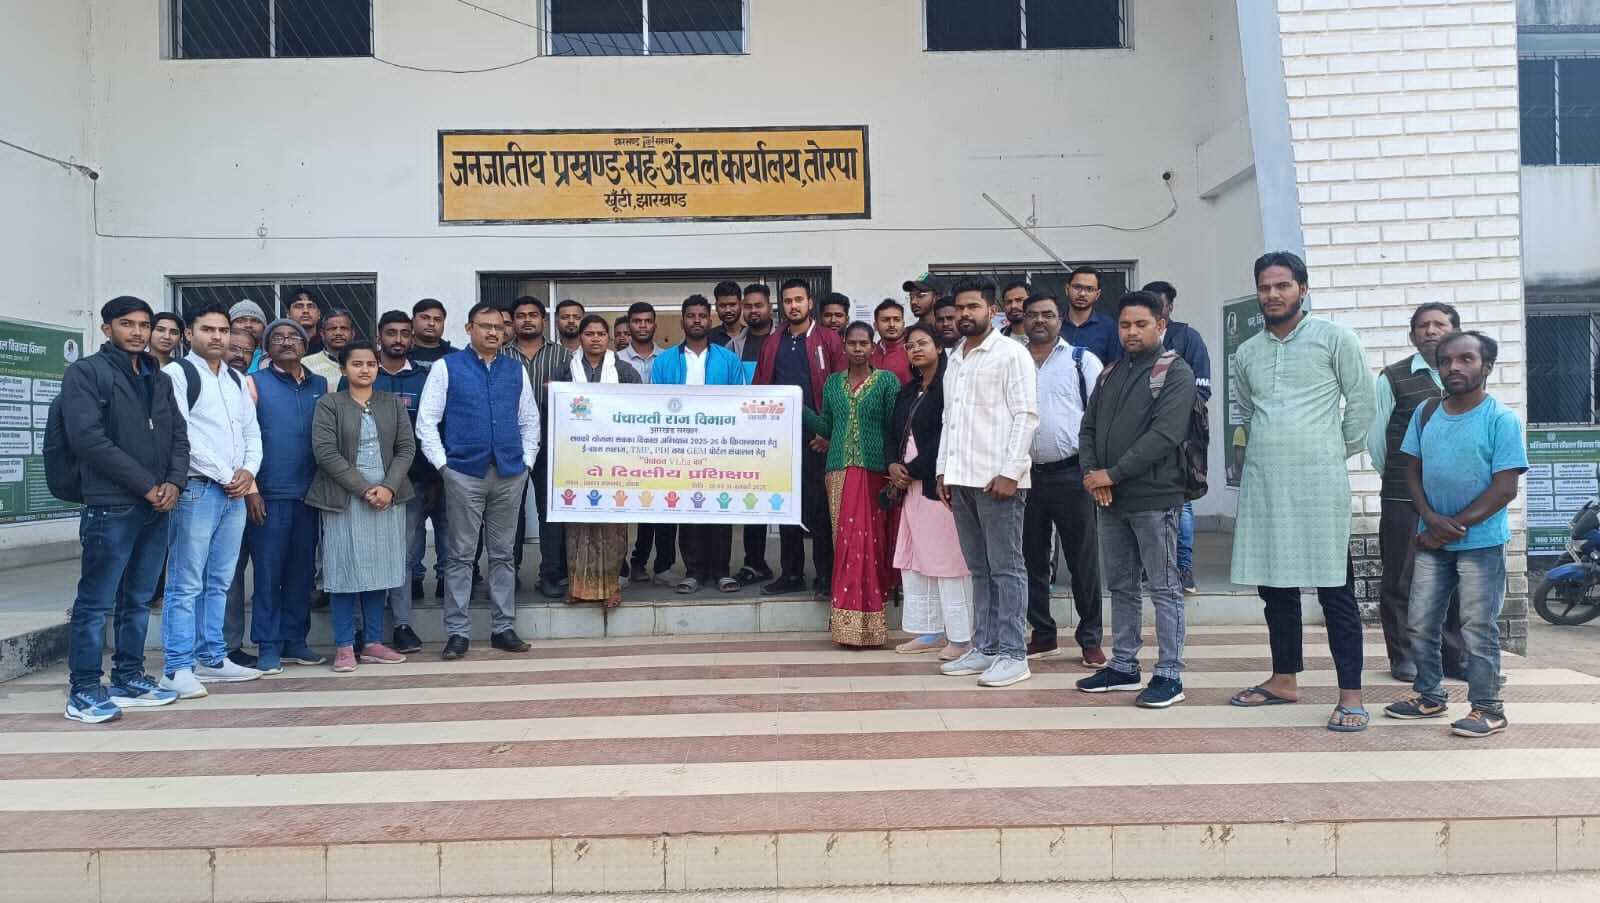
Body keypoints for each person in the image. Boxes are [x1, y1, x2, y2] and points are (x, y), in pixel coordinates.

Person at [1229, 251, 1375, 732]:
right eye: (1265, 287)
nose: (1272, 295)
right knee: (1275, 588)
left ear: (1303, 289)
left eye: (1283, 286)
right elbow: (1248, 412)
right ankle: (1283, 679)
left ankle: (1350, 696)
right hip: (1265, 484)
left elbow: (1362, 404)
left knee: (1335, 590)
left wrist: (1328, 450)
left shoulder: (1335, 338)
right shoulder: (1247, 352)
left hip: (1319, 484)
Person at [1385, 330, 1525, 738]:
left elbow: (1505, 488)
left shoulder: (1500, 419)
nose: (1454, 367)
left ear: (1487, 367)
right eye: (1446, 361)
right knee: (1420, 623)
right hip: (1431, 540)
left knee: (1477, 628)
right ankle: (1430, 695)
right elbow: (1411, 470)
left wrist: (1451, 527)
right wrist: (1429, 518)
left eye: (1466, 359)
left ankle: (1488, 709)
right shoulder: (1427, 412)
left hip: (1480, 544)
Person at [60, 296, 189, 722]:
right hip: (111, 504)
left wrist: (173, 483)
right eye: (126, 324)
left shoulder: (158, 377)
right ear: (107, 329)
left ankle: (129, 677)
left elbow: (178, 436)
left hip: (158, 505)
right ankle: (83, 690)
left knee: (138, 599)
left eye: (143, 325)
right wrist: (147, 486)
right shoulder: (86, 373)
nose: (137, 332)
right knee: (96, 602)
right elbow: (88, 440)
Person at [1074, 292, 1196, 708]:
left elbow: (1164, 436)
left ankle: (1170, 674)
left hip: (1155, 499)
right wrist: (1093, 475)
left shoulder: (1175, 372)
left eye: (1141, 324)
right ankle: (1124, 665)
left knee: (1164, 587)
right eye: (1125, 325)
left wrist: (1112, 474)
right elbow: (1087, 429)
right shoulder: (1110, 372)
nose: (1131, 332)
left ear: (1160, 325)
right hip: (1111, 499)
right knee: (1121, 586)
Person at [417, 302, 541, 660]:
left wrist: (527, 462)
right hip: (463, 474)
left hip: (509, 473)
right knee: (460, 556)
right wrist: (445, 468)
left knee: (503, 554)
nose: (493, 332)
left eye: (499, 327)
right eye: (485, 326)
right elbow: (427, 422)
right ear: (469, 328)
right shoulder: (447, 367)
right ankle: (458, 632)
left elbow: (529, 420)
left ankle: (503, 628)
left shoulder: (515, 370)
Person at [936, 277, 1040, 688]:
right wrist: (943, 470)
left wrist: (1011, 472)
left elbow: (1026, 415)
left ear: (992, 311)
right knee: (979, 569)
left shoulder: (1011, 354)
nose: (964, 314)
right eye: (960, 308)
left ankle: (1014, 654)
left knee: (1006, 568)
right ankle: (986, 647)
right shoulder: (955, 357)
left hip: (999, 482)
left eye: (973, 307)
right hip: (962, 479)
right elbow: (950, 418)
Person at [160, 301, 264, 697]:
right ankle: (177, 667)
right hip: (198, 488)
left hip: (234, 493)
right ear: (189, 333)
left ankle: (212, 657)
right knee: (186, 582)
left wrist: (248, 472)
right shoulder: (177, 374)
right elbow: (182, 433)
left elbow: (252, 432)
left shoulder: (236, 379)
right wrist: (226, 475)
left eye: (223, 330)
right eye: (208, 329)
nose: (217, 336)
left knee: (219, 580)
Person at [1368, 302, 1467, 682]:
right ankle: (1404, 656)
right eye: (1423, 326)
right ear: (1412, 336)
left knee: (1456, 576)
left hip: (1456, 499)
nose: (1431, 330)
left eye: (1439, 324)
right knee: (1401, 578)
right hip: (1402, 496)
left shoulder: (1467, 376)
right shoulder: (1393, 378)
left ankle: (1454, 656)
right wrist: (1400, 477)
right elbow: (1376, 439)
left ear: (1455, 331)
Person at [308, 344, 416, 672]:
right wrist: (365, 489)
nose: (365, 369)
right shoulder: (329, 404)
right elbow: (325, 452)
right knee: (343, 572)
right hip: (344, 497)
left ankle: (372, 643)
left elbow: (406, 448)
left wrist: (388, 487)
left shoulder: (392, 404)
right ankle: (344, 645)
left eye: (370, 363)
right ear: (344, 369)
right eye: (357, 364)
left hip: (387, 497)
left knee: (379, 571)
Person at [1018, 292, 1106, 668]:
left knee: (1082, 559)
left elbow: (1101, 417)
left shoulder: (1081, 361)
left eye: (1048, 314)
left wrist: (1097, 470)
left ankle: (1091, 639)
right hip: (1024, 475)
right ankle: (1043, 633)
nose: (1040, 320)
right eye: (1033, 314)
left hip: (1072, 473)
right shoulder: (1014, 360)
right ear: (1023, 320)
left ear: (1060, 320)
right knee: (1031, 558)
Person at [804, 321, 899, 645]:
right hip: (839, 473)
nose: (858, 349)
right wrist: (798, 407)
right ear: (843, 346)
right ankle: (846, 625)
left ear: (873, 346)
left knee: (872, 547)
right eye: (852, 343)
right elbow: (827, 426)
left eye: (864, 343)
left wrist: (894, 468)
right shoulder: (833, 383)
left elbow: (894, 427)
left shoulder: (887, 382)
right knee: (846, 546)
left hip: (875, 474)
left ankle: (872, 625)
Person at [245, 319, 329, 674]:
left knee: (301, 572)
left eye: (294, 336)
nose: (286, 341)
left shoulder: (319, 384)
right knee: (268, 573)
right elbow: (244, 437)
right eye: (277, 337)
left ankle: (296, 640)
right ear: (266, 347)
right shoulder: (254, 383)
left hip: (309, 494)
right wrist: (252, 489)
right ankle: (268, 644)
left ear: (306, 344)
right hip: (269, 494)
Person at [754, 278, 847, 598]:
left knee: (820, 509)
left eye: (799, 300)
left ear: (810, 303)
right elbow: (761, 388)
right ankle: (791, 573)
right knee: (786, 508)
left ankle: (825, 576)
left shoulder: (828, 340)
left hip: (818, 439)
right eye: (788, 301)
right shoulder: (772, 342)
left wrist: (830, 433)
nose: (793, 305)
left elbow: (842, 390)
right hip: (782, 441)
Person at [653, 295, 750, 593]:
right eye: (691, 315)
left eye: (702, 316)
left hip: (719, 448)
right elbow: (654, 405)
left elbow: (740, 403)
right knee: (689, 510)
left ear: (710, 320)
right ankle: (693, 571)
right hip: (680, 449)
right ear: (682, 321)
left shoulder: (728, 359)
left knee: (720, 508)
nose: (697, 320)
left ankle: (721, 571)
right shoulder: (665, 361)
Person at [887, 324, 972, 660]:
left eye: (923, 343)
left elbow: (947, 436)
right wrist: (893, 465)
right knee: (917, 559)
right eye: (910, 346)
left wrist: (912, 470)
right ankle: (930, 630)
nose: (916, 350)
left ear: (939, 347)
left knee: (948, 561)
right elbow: (893, 433)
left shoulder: (950, 387)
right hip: (910, 488)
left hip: (938, 486)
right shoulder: (908, 391)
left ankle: (962, 637)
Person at [559, 315, 643, 606]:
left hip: (615, 460)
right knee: (578, 525)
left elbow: (638, 412)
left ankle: (612, 587)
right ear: (580, 338)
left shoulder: (625, 371)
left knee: (612, 527)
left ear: (609, 338)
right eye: (589, 333)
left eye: (600, 334)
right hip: (574, 460)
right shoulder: (566, 371)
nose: (595, 338)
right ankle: (579, 586)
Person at [365, 311, 432, 653]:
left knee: (402, 556)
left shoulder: (425, 378)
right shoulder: (364, 375)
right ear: (379, 336)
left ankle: (402, 625)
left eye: (405, 333)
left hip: (411, 482)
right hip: (365, 484)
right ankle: (365, 628)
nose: (399, 339)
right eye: (391, 333)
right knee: (368, 554)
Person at [502, 296, 573, 599]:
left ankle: (551, 575)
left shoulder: (564, 356)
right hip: (509, 445)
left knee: (551, 513)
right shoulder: (499, 355)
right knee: (509, 513)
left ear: (544, 320)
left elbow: (578, 399)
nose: (527, 320)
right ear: (513, 321)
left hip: (554, 444)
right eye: (521, 315)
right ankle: (508, 574)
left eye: (533, 315)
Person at [1144, 280, 1213, 594]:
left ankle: (1183, 567)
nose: (1153, 310)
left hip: (1182, 437)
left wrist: (1170, 415)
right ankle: (1149, 567)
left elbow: (1202, 388)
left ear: (1170, 307)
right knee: (1145, 504)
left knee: (1181, 503)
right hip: (1141, 436)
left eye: (1159, 305)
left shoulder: (1187, 337)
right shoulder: (1135, 338)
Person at [617, 301, 675, 584]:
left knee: (664, 505)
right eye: (637, 321)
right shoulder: (614, 360)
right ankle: (625, 565)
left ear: (654, 324)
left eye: (647, 321)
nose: (642, 326)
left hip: (664, 443)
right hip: (625, 443)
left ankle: (663, 565)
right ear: (628, 325)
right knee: (624, 504)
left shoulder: (669, 358)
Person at [729, 283, 777, 585]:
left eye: (758, 305)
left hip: (781, 433)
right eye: (748, 306)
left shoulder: (784, 339)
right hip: (748, 434)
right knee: (752, 499)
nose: (753, 311)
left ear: (769, 307)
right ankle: (754, 562)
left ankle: (795, 568)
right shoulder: (734, 345)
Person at [1058, 266, 1121, 365]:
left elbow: (1115, 366)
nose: (1082, 293)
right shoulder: (1054, 323)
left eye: (1089, 289)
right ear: (1067, 289)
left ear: (1097, 294)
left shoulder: (1109, 327)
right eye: (1077, 287)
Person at [303, 308, 356, 383]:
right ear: (322, 334)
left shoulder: (366, 363)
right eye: (332, 329)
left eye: (344, 328)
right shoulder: (306, 364)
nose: (338, 333)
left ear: (353, 333)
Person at [870, 299, 911, 384]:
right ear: (875, 326)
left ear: (903, 324)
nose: (892, 325)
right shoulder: (869, 353)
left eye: (897, 320)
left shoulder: (912, 351)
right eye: (885, 320)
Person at [409, 298, 455, 363]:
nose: (431, 323)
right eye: (425, 318)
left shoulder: (456, 356)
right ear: (412, 320)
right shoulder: (400, 352)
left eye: (437, 319)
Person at [230, 300, 269, 372]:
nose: (248, 325)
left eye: (255, 321)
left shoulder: (273, 359)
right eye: (240, 321)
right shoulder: (218, 356)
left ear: (264, 328)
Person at [287, 289, 324, 353]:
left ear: (319, 314)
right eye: (299, 306)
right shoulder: (282, 344)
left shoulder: (328, 344)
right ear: (288, 314)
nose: (305, 311)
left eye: (311, 306)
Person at [709, 280, 745, 346]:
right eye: (722, 305)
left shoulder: (751, 335)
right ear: (716, 307)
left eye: (732, 305)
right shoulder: (708, 338)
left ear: (741, 305)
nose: (728, 310)